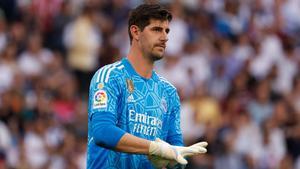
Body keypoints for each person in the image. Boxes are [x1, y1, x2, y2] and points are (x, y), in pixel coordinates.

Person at [87, 3, 208, 169]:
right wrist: (155, 148)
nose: (165, 37)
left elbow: (176, 154)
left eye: (167, 31)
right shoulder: (110, 76)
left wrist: (171, 161)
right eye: (157, 29)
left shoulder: (169, 92)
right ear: (135, 32)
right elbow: (102, 132)